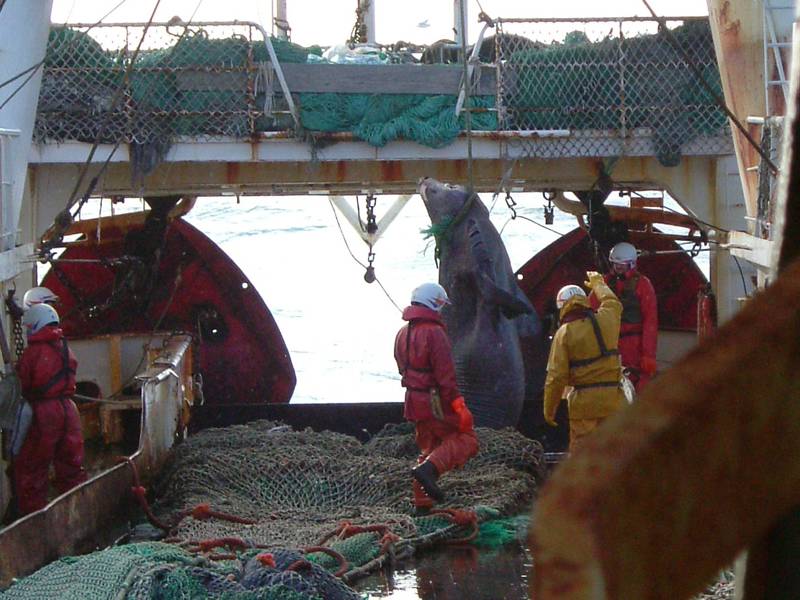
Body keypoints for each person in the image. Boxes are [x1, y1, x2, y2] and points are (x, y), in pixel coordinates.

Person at [394, 282, 478, 511]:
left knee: (430, 446)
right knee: (465, 439)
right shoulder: (435, 333)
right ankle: (428, 471)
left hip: (413, 401)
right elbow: (446, 378)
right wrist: (459, 408)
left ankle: (422, 502)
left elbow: (402, 369)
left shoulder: (402, 333)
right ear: (435, 304)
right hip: (434, 401)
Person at [11, 303, 86, 516]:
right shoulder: (64, 347)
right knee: (72, 466)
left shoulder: (34, 352)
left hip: (44, 412)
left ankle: (33, 520)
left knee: (33, 468)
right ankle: (78, 513)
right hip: (69, 409)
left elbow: (22, 383)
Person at [543, 272, 626, 453]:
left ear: (562, 307)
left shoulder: (564, 333)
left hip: (584, 408)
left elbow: (556, 377)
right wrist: (598, 284)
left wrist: (549, 409)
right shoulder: (607, 318)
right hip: (615, 402)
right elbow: (613, 303)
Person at [589, 242, 658, 392]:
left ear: (631, 264)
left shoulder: (643, 285)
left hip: (634, 346)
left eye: (622, 264)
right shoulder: (603, 283)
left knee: (636, 383)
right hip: (608, 344)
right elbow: (590, 312)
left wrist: (648, 355)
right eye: (615, 264)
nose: (618, 267)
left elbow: (650, 322)